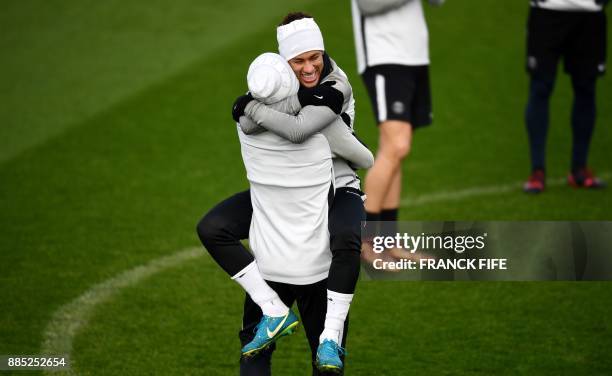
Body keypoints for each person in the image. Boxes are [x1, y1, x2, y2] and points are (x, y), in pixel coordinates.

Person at [198, 13, 372, 374]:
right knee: (214, 226)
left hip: (336, 185)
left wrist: (252, 106)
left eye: (315, 57)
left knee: (346, 235)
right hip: (280, 196)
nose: (309, 67)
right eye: (299, 61)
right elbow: (249, 118)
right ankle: (275, 311)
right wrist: (257, 107)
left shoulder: (336, 86)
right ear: (283, 62)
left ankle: (330, 334)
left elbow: (295, 129)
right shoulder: (275, 85)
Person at [350, 0, 443, 262]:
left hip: (414, 57)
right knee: (396, 146)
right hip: (384, 56)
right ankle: (365, 242)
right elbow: (368, 5)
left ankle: (389, 242)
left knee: (395, 150)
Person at [523, 0, 608, 193]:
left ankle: (579, 168)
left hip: (590, 13)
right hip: (546, 12)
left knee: (586, 89)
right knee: (540, 88)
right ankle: (537, 170)